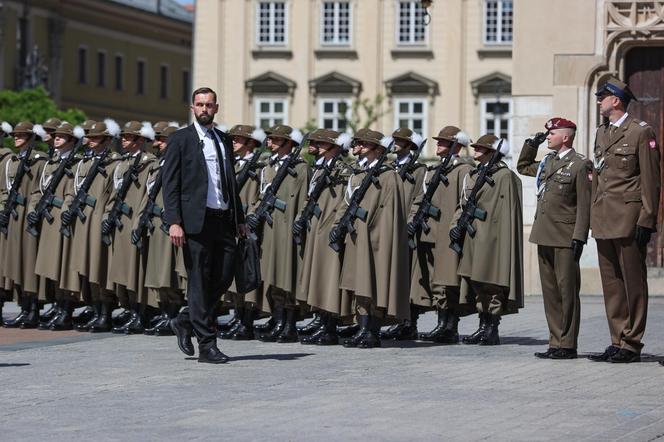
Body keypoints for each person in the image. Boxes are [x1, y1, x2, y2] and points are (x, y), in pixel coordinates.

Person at [163, 87, 245, 364]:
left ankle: (186, 318)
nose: (204, 109)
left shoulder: (224, 140)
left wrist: (240, 219)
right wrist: (174, 222)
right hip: (195, 222)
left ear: (216, 108)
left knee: (223, 276)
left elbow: (231, 182)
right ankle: (207, 345)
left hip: (223, 219)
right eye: (199, 105)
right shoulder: (180, 140)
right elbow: (170, 184)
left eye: (209, 105)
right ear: (192, 108)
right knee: (198, 281)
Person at [589, 77, 660, 364]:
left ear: (616, 100)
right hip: (604, 217)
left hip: (630, 218)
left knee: (633, 282)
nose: (598, 101)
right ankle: (617, 339)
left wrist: (647, 218)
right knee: (612, 283)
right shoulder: (601, 132)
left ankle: (632, 342)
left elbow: (651, 180)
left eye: (602, 97)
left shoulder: (641, 132)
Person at [517, 118, 591, 359]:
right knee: (550, 292)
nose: (547, 136)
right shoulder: (547, 162)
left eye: (552, 133)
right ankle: (555, 341)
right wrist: (532, 144)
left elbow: (584, 205)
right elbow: (523, 166)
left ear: (566, 137)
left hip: (565, 237)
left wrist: (579, 236)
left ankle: (568, 344)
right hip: (544, 234)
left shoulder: (580, 165)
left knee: (567, 292)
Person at [334, 129, 410, 348]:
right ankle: (363, 327)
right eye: (359, 143)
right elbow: (348, 201)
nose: (359, 147)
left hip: (376, 239)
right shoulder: (359, 172)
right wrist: (339, 225)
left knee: (374, 283)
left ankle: (372, 331)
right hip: (357, 235)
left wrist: (374, 231)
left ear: (377, 149)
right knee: (358, 283)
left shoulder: (388, 175)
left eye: (364, 144)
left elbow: (390, 212)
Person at [450, 134, 524, 345]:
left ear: (492, 152)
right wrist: (456, 225)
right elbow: (464, 203)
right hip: (473, 236)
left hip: (491, 238)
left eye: (481, 148)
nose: (475, 150)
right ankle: (483, 326)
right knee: (477, 282)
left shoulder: (503, 176)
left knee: (491, 283)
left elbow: (505, 212)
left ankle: (492, 328)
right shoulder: (475, 174)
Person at [246, 124, 310, 343]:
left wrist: (297, 222)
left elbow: (302, 200)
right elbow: (260, 194)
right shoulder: (268, 166)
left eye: (274, 139)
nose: (269, 143)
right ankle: (278, 318)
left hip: (285, 227)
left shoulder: (300, 168)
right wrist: (254, 213)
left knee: (286, 275)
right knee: (271, 276)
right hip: (269, 228)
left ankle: (289, 325)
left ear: (287, 143)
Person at [410, 126, 474, 344]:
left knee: (448, 281)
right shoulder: (433, 169)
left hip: (446, 233)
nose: (437, 145)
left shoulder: (463, 170)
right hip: (428, 232)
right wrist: (412, 221)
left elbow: (464, 201)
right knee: (433, 280)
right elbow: (420, 199)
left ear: (455, 146)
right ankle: (441, 322)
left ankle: (450, 326)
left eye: (443, 142)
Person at [62, 120, 123, 333]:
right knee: (86, 268)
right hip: (82, 221)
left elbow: (116, 193)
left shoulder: (114, 163)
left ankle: (104, 314)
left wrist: (107, 216)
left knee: (99, 267)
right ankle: (95, 310)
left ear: (107, 140)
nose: (90, 140)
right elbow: (72, 190)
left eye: (95, 137)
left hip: (98, 220)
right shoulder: (84, 163)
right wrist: (67, 209)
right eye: (89, 136)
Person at [296, 128, 353, 345]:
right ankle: (321, 319)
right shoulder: (321, 169)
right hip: (316, 226)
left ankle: (330, 326)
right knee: (317, 274)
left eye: (321, 143)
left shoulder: (342, 171)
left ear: (334, 147)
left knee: (328, 276)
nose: (317, 147)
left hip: (328, 227)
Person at [381, 127, 427, 340]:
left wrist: (409, 222)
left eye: (400, 140)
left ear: (410, 145)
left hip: (406, 228)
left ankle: (410, 323)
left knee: (408, 275)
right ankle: (397, 319)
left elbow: (419, 198)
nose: (396, 143)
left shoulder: (418, 170)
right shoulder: (389, 167)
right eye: (395, 139)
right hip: (387, 228)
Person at [1, 122, 48, 328]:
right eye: (16, 134)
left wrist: (32, 210)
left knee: (28, 263)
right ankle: (23, 307)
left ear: (30, 137)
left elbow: (40, 188)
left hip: (29, 214)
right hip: (13, 214)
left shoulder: (39, 160)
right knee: (16, 263)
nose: (16, 137)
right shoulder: (13, 161)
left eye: (21, 135)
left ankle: (32, 309)